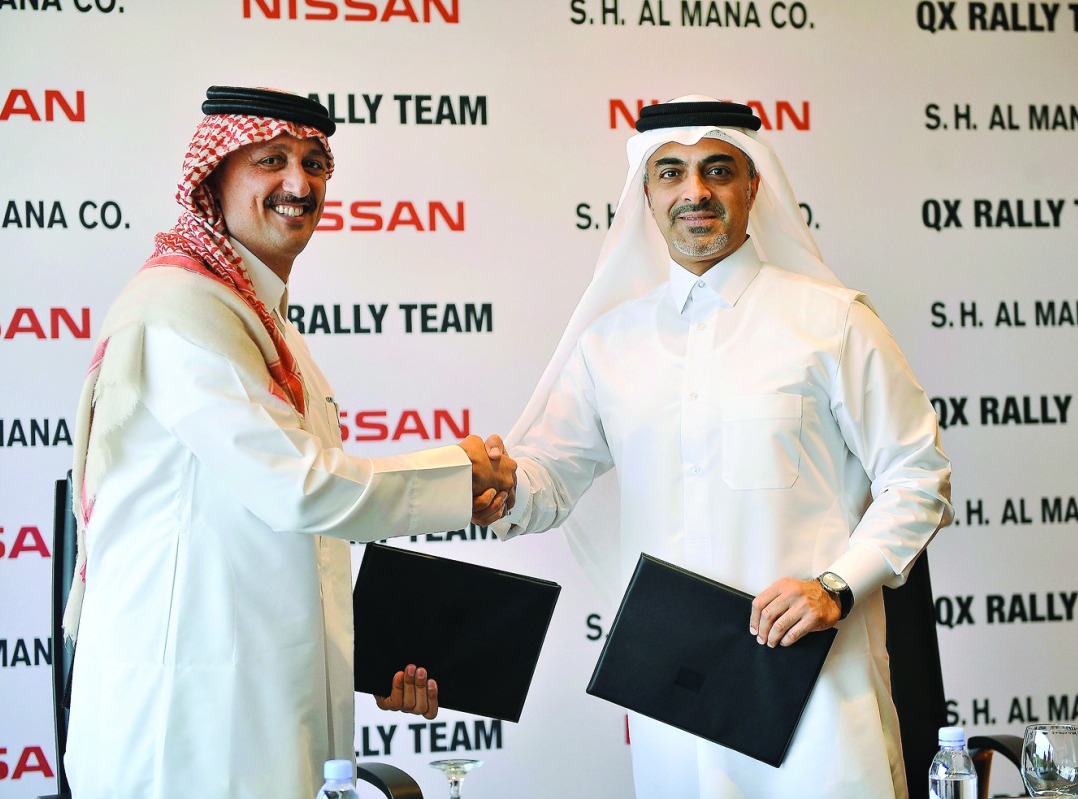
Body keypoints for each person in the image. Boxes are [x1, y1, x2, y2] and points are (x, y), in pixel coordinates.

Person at [490, 96, 953, 797]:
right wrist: (490, 483)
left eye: (717, 170)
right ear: (646, 194)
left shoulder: (833, 321)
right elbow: (546, 482)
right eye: (671, 173)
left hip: (816, 686)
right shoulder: (609, 344)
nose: (695, 192)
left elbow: (919, 477)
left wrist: (837, 585)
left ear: (753, 186)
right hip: (674, 692)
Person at [62, 86, 515, 799]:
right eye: (271, 160)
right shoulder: (180, 312)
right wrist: (459, 475)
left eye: (315, 163)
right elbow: (300, 486)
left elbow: (288, 535)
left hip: (265, 704)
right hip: (184, 723)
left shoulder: (260, 325)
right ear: (213, 179)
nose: (299, 184)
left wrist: (389, 655)